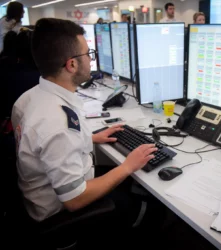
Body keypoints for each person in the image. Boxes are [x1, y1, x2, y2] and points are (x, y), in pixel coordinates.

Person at [11, 18, 160, 247]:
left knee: (127, 179)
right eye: (87, 54)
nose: (91, 60)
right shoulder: (57, 122)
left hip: (40, 193)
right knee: (149, 203)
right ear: (71, 65)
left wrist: (89, 138)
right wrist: (128, 165)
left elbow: (44, 147)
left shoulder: (29, 97)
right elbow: (75, 199)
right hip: (61, 213)